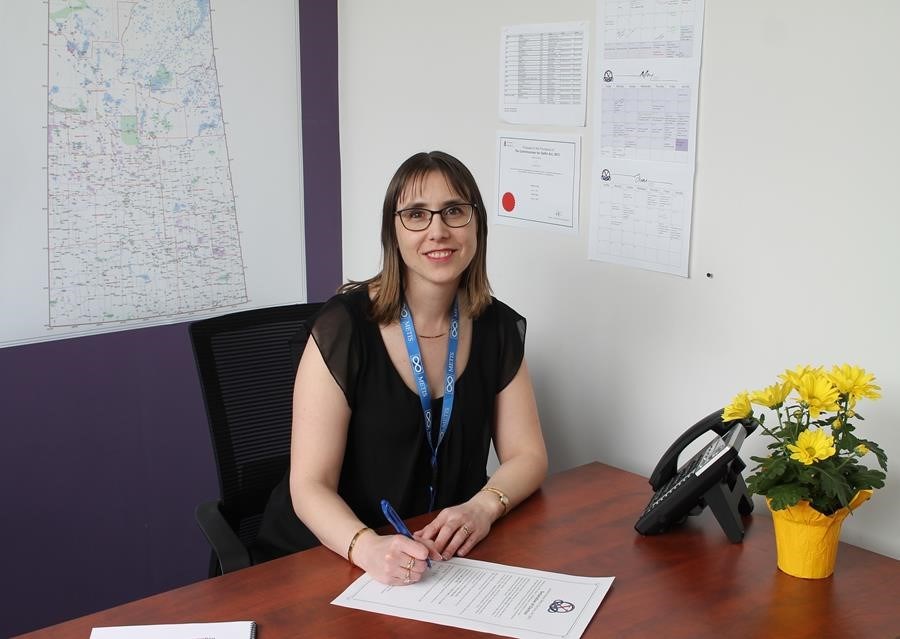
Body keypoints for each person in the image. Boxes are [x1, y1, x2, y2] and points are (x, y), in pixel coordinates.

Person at [255, 150, 547, 586]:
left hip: (436, 559)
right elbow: (309, 485)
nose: (438, 231)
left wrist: (483, 506)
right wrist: (366, 546)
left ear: (477, 223)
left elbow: (529, 455)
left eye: (454, 211)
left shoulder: (497, 327)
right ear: (393, 231)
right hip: (326, 557)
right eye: (416, 214)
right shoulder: (344, 328)